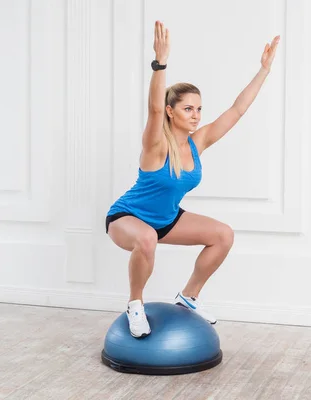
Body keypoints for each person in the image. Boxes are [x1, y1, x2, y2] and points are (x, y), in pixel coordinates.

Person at [105, 20, 280, 338]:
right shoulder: (156, 145)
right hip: (127, 217)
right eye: (188, 108)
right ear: (172, 112)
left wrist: (264, 70)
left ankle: (189, 296)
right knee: (146, 239)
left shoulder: (197, 143)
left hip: (167, 220)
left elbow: (237, 110)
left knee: (222, 235)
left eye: (199, 108)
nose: (196, 114)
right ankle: (135, 304)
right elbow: (155, 110)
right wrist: (160, 64)